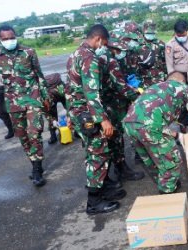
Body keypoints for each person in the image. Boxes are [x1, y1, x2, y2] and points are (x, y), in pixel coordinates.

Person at [123, 72, 188, 194]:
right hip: (151, 126)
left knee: (151, 159)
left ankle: (166, 183)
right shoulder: (185, 89)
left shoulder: (154, 87)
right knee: (172, 161)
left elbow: (153, 118)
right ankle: (169, 195)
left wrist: (178, 135)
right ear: (183, 81)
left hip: (129, 124)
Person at [65, 24, 125, 215]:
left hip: (79, 112)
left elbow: (70, 87)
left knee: (97, 150)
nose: (104, 47)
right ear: (98, 39)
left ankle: (105, 188)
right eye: (104, 43)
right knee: (97, 154)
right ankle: (94, 202)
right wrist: (103, 120)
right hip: (88, 113)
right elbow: (91, 93)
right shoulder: (89, 58)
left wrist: (69, 113)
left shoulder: (75, 54)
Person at [0, 24, 50, 187]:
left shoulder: (29, 52)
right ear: (0, 40)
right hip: (13, 104)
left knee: (34, 133)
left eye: (11, 37)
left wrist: (46, 96)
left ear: (15, 36)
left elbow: (39, 76)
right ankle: (33, 164)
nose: (9, 41)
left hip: (33, 99)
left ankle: (38, 169)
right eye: (5, 39)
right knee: (23, 136)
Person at [100, 39, 145, 181]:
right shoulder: (110, 61)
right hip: (111, 105)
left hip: (103, 103)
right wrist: (138, 95)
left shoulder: (99, 58)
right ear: (113, 49)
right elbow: (120, 86)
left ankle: (115, 169)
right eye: (119, 51)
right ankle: (121, 169)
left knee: (110, 138)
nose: (121, 54)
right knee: (116, 136)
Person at [166, 19, 188, 133]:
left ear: (187, 30)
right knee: (181, 101)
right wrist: (173, 81)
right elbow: (169, 64)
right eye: (178, 34)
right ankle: (183, 124)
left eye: (183, 34)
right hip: (180, 76)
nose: (181, 36)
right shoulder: (170, 44)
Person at [139, 21, 167, 88]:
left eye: (152, 33)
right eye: (148, 33)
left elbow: (165, 61)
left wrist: (166, 75)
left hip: (160, 78)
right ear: (143, 31)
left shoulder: (161, 44)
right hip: (145, 80)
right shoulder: (137, 45)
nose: (150, 34)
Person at [44, 73, 66, 144]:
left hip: (50, 95)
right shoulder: (61, 85)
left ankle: (53, 137)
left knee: (51, 116)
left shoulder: (44, 88)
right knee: (70, 111)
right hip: (61, 90)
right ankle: (75, 132)